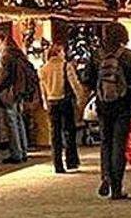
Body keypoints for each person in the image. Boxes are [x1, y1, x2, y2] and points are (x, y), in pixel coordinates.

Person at [82, 22, 131, 199]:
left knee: (105, 142)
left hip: (103, 105)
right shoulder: (130, 56)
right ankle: (117, 186)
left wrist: (98, 90)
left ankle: (106, 176)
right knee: (119, 144)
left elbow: (86, 78)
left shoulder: (97, 55)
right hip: (123, 105)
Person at [38, 43, 82, 173]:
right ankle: (71, 161)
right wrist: (80, 98)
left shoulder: (43, 69)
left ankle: (58, 164)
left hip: (52, 102)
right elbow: (74, 84)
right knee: (69, 131)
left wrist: (45, 102)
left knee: (55, 134)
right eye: (62, 51)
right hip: (65, 101)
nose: (64, 54)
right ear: (57, 53)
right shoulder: (65, 66)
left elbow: (43, 89)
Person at [0, 31, 30, 164]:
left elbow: (2, 76)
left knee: (11, 122)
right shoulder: (16, 52)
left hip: (9, 93)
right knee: (19, 120)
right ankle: (23, 150)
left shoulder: (4, 55)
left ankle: (16, 153)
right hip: (19, 91)